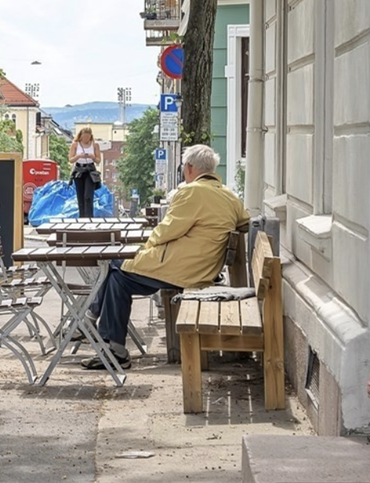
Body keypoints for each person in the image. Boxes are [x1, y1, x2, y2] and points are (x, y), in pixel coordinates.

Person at [81, 145, 247, 370]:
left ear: (188, 169)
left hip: (182, 270)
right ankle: (111, 345)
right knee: (117, 278)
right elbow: (244, 222)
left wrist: (144, 249)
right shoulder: (229, 196)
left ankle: (95, 324)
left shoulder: (192, 192)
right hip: (202, 268)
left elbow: (167, 230)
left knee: (113, 265)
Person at [70, 127, 102, 219]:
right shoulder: (75, 144)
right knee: (80, 196)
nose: (86, 139)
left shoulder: (95, 145)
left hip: (90, 170)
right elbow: (71, 159)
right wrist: (78, 156)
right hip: (79, 170)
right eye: (84, 137)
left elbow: (98, 160)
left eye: (88, 137)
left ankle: (89, 216)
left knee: (88, 196)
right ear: (81, 136)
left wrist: (92, 157)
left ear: (90, 137)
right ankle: (82, 216)